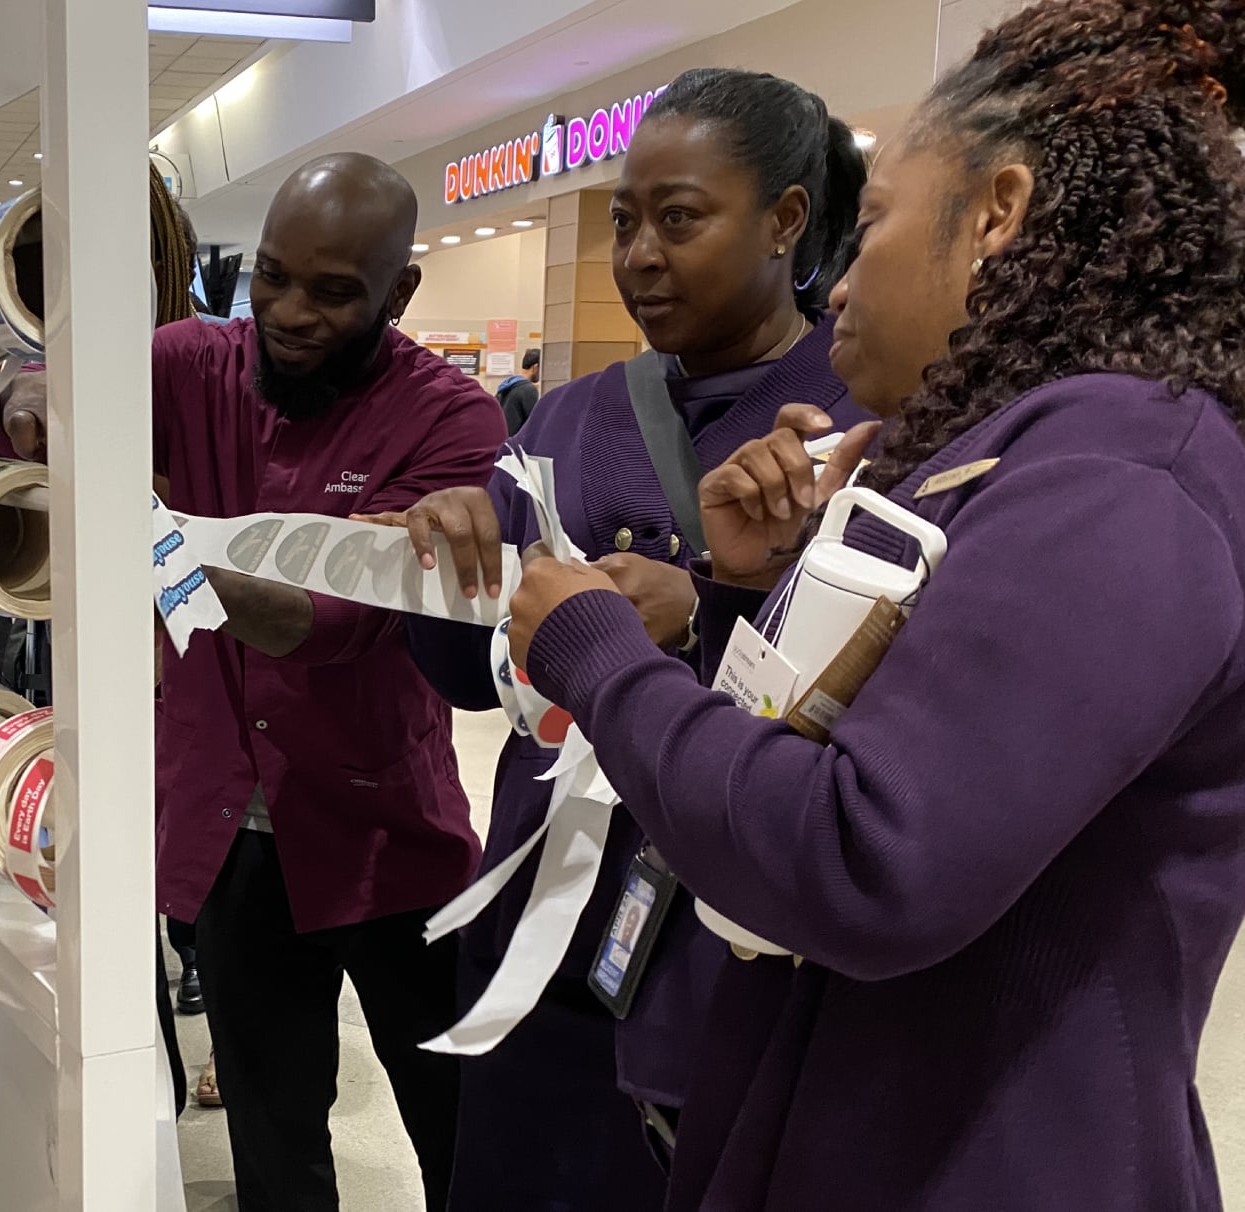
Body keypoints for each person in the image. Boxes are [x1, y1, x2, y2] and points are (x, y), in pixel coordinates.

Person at [500, 1, 1245, 1206]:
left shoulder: (1115, 481)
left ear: (995, 213)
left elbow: (862, 857)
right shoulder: (1021, 458)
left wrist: (596, 656)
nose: (838, 289)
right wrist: (750, 589)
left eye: (877, 227)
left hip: (984, 1154)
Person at [389, 69, 868, 1210]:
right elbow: (463, 679)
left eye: (679, 218)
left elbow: (888, 722)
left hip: (722, 956)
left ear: (784, 221)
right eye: (622, 220)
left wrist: (709, 609)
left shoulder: (849, 432)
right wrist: (443, 575)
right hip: (532, 940)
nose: (640, 253)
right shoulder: (566, 416)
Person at [0, 153, 504, 1210]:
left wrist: (140, 526)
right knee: (272, 1131)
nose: (289, 312)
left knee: (459, 1120)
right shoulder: (191, 363)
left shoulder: (448, 420)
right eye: (270, 276)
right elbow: (44, 413)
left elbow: (319, 626)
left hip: (383, 831)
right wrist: (41, 399)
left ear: (396, 294)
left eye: (331, 292)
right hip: (230, 834)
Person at [495, 348, 541, 434]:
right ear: (535, 367)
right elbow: (535, 421)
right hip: (518, 442)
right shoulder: (528, 389)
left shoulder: (507, 385)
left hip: (502, 439)